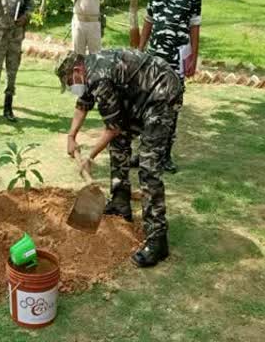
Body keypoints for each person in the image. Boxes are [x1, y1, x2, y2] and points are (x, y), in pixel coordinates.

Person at [56, 49, 183, 267]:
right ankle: (120, 202)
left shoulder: (99, 78)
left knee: (148, 166)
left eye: (69, 81)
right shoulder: (89, 72)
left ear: (77, 70)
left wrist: (89, 156)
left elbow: (112, 127)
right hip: (140, 96)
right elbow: (83, 104)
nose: (71, 86)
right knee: (119, 145)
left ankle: (157, 239)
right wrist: (71, 136)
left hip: (161, 94)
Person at [138, 0, 202, 173]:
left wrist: (193, 56)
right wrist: (140, 48)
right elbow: (149, 19)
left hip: (177, 57)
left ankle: (165, 156)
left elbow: (194, 24)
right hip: (155, 57)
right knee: (147, 105)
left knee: (171, 107)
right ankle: (145, 153)